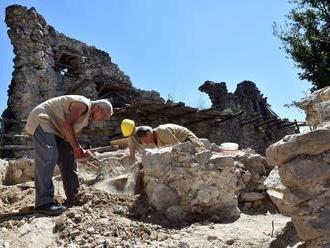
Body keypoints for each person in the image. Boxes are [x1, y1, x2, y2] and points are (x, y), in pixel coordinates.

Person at [25, 95, 113, 215]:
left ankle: (74, 197)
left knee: (68, 159)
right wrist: (76, 148)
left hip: (57, 130)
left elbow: (69, 134)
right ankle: (43, 203)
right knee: (49, 156)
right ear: (98, 108)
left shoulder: (86, 117)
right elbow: (67, 126)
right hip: (42, 120)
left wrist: (79, 151)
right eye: (104, 116)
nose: (102, 120)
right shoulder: (83, 104)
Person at [120, 120, 204, 159]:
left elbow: (180, 147)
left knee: (201, 153)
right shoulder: (138, 137)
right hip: (173, 141)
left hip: (186, 138)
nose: (144, 143)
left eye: (144, 140)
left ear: (149, 134)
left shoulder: (162, 132)